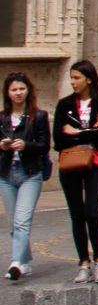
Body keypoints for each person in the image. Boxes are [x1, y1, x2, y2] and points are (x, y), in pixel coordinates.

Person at [53, 60, 98, 285]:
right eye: (71, 78)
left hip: (95, 162)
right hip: (71, 162)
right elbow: (59, 138)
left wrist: (77, 132)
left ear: (89, 79)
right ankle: (83, 263)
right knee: (77, 215)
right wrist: (90, 130)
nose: (73, 82)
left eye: (77, 77)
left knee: (92, 213)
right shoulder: (64, 105)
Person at [2, 72, 51, 281]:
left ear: (28, 90)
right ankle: (25, 260)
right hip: (6, 174)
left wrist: (26, 145)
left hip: (30, 173)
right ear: (7, 93)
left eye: (22, 88)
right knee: (13, 223)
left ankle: (16, 263)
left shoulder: (39, 117)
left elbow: (45, 145)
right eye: (14, 89)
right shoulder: (2, 118)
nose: (18, 93)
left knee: (22, 220)